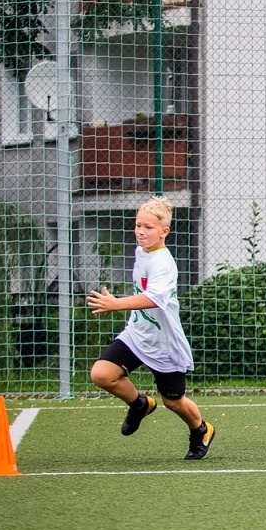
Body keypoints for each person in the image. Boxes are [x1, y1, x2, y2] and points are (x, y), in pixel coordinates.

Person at [86, 196, 216, 460]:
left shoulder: (163, 264)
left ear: (164, 231)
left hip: (164, 343)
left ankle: (201, 430)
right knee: (102, 374)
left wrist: (116, 303)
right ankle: (140, 404)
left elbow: (153, 298)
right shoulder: (141, 252)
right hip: (137, 334)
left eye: (148, 227)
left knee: (173, 401)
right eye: (138, 225)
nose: (141, 232)